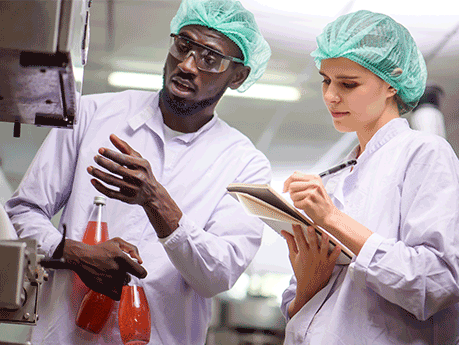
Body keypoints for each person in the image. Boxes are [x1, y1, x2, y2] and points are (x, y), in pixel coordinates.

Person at [5, 0, 272, 343]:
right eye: (184, 45)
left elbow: (217, 275)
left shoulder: (244, 164)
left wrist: (156, 201)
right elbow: (22, 212)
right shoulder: (92, 114)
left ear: (238, 76)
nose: (188, 65)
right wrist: (72, 252)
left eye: (210, 58)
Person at [280, 10, 459, 344]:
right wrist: (307, 287)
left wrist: (331, 219)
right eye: (325, 80)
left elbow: (437, 285)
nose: (331, 96)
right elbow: (297, 310)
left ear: (392, 81)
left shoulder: (425, 154)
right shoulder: (334, 179)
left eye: (348, 84)